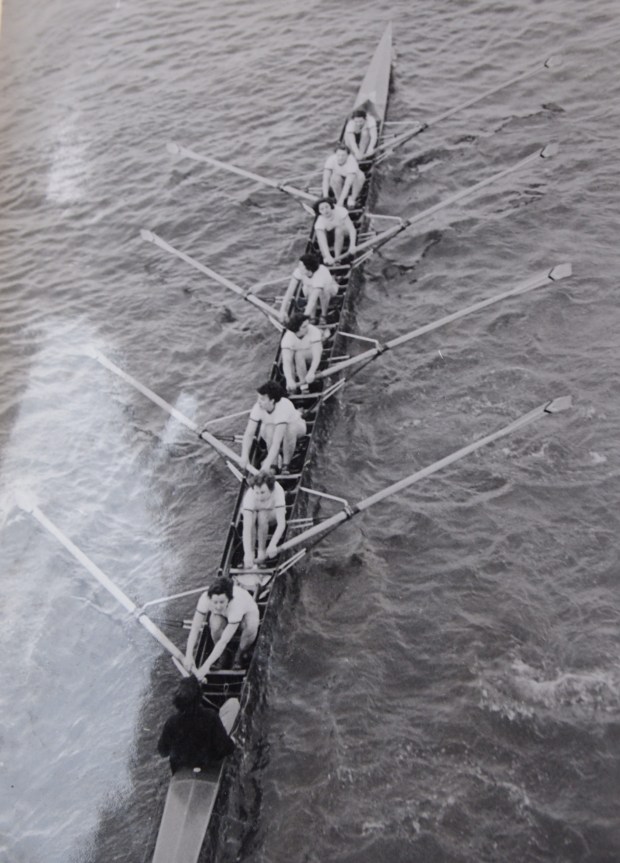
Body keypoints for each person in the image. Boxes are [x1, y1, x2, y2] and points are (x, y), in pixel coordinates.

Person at [157, 676, 237, 774]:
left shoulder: (171, 722)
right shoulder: (211, 716)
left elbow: (163, 752)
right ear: (199, 696)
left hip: (183, 766)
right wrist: (233, 742)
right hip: (209, 764)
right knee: (234, 703)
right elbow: (226, 748)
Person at [184, 578, 260, 676]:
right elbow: (195, 629)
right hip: (226, 614)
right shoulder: (204, 599)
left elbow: (224, 641)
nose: (218, 606)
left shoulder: (236, 605)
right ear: (210, 598)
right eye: (215, 602)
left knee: (251, 626)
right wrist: (189, 655)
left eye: (222, 602)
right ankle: (223, 655)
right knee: (215, 626)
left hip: (247, 613)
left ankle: (239, 654)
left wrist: (206, 666)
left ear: (229, 599)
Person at [240, 380, 307, 474]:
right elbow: (249, 434)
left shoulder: (283, 407)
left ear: (272, 401)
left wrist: (265, 465)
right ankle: (274, 465)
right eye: (258, 398)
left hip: (296, 428)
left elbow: (276, 442)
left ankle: (285, 465)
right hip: (274, 430)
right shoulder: (258, 407)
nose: (258, 402)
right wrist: (244, 455)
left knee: (289, 429)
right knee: (269, 429)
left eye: (262, 399)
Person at [241, 471, 287, 568]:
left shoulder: (278, 490)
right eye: (257, 493)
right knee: (251, 518)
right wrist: (247, 553)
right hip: (255, 516)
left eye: (262, 492)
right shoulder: (249, 496)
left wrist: (273, 544)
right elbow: (246, 528)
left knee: (262, 515)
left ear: (271, 490)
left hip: (271, 515)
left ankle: (261, 552)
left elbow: (281, 524)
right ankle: (252, 554)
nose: (259, 497)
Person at [279, 252, 339, 323]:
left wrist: (303, 320)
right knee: (309, 289)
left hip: (330, 290)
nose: (298, 267)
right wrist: (282, 311)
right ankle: (312, 317)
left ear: (309, 269)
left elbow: (312, 301)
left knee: (323, 292)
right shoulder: (299, 271)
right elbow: (289, 292)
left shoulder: (320, 275)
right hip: (312, 289)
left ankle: (324, 315)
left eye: (301, 266)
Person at [280, 313, 323, 392]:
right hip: (298, 358)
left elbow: (317, 355)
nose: (308, 328)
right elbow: (286, 362)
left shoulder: (314, 331)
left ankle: (304, 386)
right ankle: (292, 387)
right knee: (289, 359)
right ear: (296, 329)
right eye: (304, 327)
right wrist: (289, 379)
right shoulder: (287, 338)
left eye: (307, 324)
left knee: (299, 355)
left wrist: (311, 372)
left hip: (311, 354)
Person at [313, 197, 357, 265]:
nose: (325, 210)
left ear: (331, 206)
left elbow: (352, 229)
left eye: (326, 207)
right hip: (329, 234)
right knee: (319, 236)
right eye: (322, 209)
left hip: (343, 231)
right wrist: (328, 255)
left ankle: (337, 258)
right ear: (319, 212)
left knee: (338, 230)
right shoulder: (319, 222)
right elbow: (322, 241)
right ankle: (326, 258)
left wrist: (352, 245)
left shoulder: (340, 211)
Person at [322, 142, 366, 208]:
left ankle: (352, 198)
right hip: (340, 176)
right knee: (334, 179)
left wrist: (341, 201)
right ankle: (338, 199)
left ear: (348, 155)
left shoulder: (352, 162)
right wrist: (325, 197)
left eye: (343, 155)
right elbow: (326, 180)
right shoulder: (330, 160)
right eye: (338, 155)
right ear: (335, 154)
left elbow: (347, 185)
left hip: (353, 178)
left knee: (361, 177)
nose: (340, 158)